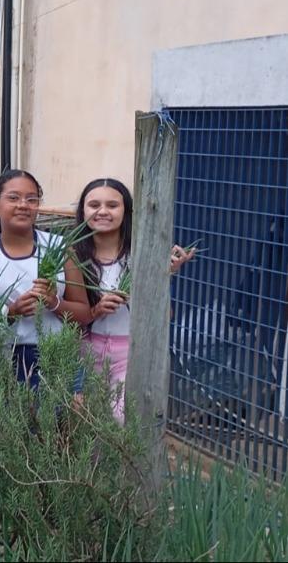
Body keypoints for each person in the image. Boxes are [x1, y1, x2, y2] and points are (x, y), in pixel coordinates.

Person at [73, 177, 196, 422]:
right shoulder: (73, 255)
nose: (103, 211)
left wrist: (162, 277)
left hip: (130, 352)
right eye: (94, 204)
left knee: (123, 422)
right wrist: (96, 309)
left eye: (112, 205)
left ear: (127, 211)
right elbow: (67, 314)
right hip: (85, 353)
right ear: (82, 210)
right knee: (89, 430)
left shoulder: (141, 254)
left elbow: (165, 316)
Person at [0, 170, 91, 387]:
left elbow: (84, 315)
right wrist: (11, 313)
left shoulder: (60, 248)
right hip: (3, 357)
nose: (23, 205)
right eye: (13, 198)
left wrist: (53, 302)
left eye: (32, 199)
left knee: (57, 420)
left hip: (56, 356)